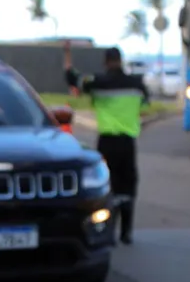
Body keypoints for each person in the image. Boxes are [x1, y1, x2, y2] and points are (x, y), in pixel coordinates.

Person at [63, 44, 149, 244]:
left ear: (105, 62)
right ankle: (126, 232)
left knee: (107, 187)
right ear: (121, 61)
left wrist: (67, 54)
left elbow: (72, 78)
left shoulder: (98, 83)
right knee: (128, 187)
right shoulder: (137, 84)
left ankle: (106, 230)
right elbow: (145, 103)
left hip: (107, 142)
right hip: (128, 142)